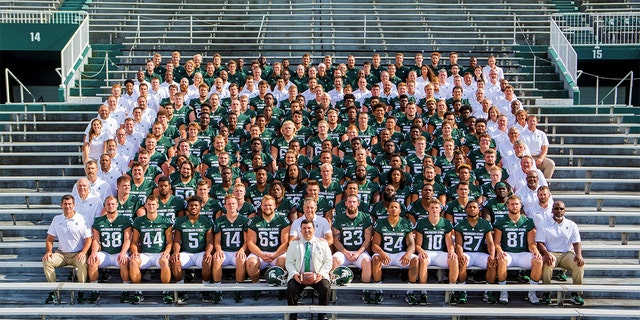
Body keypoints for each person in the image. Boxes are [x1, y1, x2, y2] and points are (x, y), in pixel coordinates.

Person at [43, 195, 92, 304]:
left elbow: (89, 239)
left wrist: (84, 252)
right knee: (47, 260)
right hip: (62, 254)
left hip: (77, 253)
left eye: (70, 204)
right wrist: (49, 251)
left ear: (74, 205)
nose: (67, 206)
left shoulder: (82, 219)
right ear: (61, 205)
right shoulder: (57, 219)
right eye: (65, 204)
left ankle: (81, 291)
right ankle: (54, 291)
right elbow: (49, 239)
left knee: (82, 260)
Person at [494, 195, 543, 305]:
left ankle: (532, 291)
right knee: (501, 259)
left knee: (538, 261)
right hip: (508, 253)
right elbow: (496, 243)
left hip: (522, 253)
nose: (514, 206)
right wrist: (500, 251)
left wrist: (535, 251)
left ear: (520, 206)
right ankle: (503, 290)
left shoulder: (528, 221)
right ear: (507, 206)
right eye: (512, 204)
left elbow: (531, 244)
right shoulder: (501, 221)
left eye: (516, 204)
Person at [536, 201, 585, 305]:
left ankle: (576, 294)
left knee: (579, 263)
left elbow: (577, 243)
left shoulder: (571, 225)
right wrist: (546, 253)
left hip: (566, 253)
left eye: (561, 209)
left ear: (565, 210)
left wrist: (579, 255)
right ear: (552, 210)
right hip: (551, 253)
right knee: (547, 263)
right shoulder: (543, 224)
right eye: (556, 209)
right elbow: (540, 243)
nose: (559, 211)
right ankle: (546, 293)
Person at [369, 200, 418, 304]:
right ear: (388, 209)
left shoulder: (405, 223)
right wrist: (381, 253)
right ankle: (378, 290)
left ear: (400, 210)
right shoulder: (381, 223)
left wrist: (408, 254)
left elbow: (411, 244)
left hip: (400, 254)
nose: (393, 209)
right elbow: (374, 245)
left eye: (396, 207)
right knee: (375, 258)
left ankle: (410, 291)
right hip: (385, 253)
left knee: (415, 259)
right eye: (391, 207)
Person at [87, 196, 133, 303]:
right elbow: (96, 240)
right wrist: (94, 253)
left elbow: (127, 239)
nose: (111, 206)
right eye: (108, 204)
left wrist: (123, 253)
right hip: (105, 253)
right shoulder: (99, 221)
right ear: (105, 206)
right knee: (92, 261)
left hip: (118, 252)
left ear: (117, 205)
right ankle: (95, 290)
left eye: (113, 204)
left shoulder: (125, 220)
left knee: (124, 260)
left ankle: (125, 290)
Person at [129, 196, 174, 304]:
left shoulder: (165, 221)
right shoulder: (139, 221)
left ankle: (166, 292)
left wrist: (167, 252)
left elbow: (170, 242)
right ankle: (138, 292)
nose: (151, 206)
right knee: (133, 262)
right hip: (145, 254)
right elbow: (134, 242)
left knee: (164, 261)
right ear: (145, 205)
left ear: (158, 205)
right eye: (149, 204)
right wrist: (135, 252)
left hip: (159, 253)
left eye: (153, 204)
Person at [285, 219, 333, 320]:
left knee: (325, 287)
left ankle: (322, 315)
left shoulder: (323, 243)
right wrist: (294, 274)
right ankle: (293, 315)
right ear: (300, 230)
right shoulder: (294, 244)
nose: (307, 230)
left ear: (314, 230)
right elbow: (289, 262)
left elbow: (328, 261)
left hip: (317, 276)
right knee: (291, 287)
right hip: (299, 276)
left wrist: (321, 274)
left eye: (309, 228)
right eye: (304, 228)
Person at [414, 198, 458, 305]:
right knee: (423, 260)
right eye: (432, 208)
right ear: (428, 208)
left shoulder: (446, 223)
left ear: (440, 209)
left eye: (437, 208)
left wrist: (451, 251)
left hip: (439, 253)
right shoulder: (421, 223)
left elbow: (449, 243)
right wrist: (421, 251)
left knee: (454, 259)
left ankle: (452, 291)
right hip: (427, 252)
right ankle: (423, 292)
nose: (434, 210)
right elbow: (417, 245)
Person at [171, 196, 214, 303]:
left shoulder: (206, 221)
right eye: (191, 205)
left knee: (207, 261)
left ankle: (205, 289)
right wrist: (176, 252)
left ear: (200, 207)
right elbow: (176, 240)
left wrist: (208, 252)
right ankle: (181, 289)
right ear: (187, 207)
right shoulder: (181, 221)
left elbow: (210, 242)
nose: (193, 207)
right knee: (175, 261)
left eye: (196, 205)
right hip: (186, 252)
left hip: (200, 252)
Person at [246, 195, 290, 300]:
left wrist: (275, 255)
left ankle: (280, 288)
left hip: (277, 252)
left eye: (270, 205)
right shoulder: (254, 220)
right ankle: (257, 288)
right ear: (261, 206)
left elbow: (285, 243)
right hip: (260, 252)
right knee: (251, 263)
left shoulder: (282, 219)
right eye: (265, 205)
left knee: (283, 262)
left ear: (275, 206)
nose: (267, 207)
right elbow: (250, 243)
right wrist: (262, 255)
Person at [455, 201, 497, 303]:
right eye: (470, 207)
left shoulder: (485, 224)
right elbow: (458, 243)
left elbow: (490, 242)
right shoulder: (460, 224)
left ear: (479, 210)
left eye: (474, 207)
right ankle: (462, 291)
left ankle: (488, 292)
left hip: (479, 253)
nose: (472, 209)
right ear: (466, 210)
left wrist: (492, 255)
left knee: (492, 263)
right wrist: (460, 254)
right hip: (467, 253)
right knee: (462, 261)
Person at [213, 195, 250, 303]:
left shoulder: (244, 220)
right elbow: (217, 241)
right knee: (216, 259)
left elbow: (246, 241)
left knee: (241, 260)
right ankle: (217, 290)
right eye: (228, 203)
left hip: (237, 250)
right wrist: (218, 250)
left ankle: (238, 290)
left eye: (233, 203)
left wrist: (242, 250)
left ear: (237, 205)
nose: (231, 205)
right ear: (225, 206)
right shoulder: (220, 220)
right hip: (224, 250)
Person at [331, 195, 372, 284]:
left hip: (359, 252)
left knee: (367, 262)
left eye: (354, 202)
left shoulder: (365, 218)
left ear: (358, 203)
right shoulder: (338, 218)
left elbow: (367, 240)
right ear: (345, 203)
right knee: (334, 260)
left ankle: (365, 289)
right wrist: (346, 252)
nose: (351, 204)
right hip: (344, 252)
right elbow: (336, 240)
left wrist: (357, 253)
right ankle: (333, 290)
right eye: (349, 202)